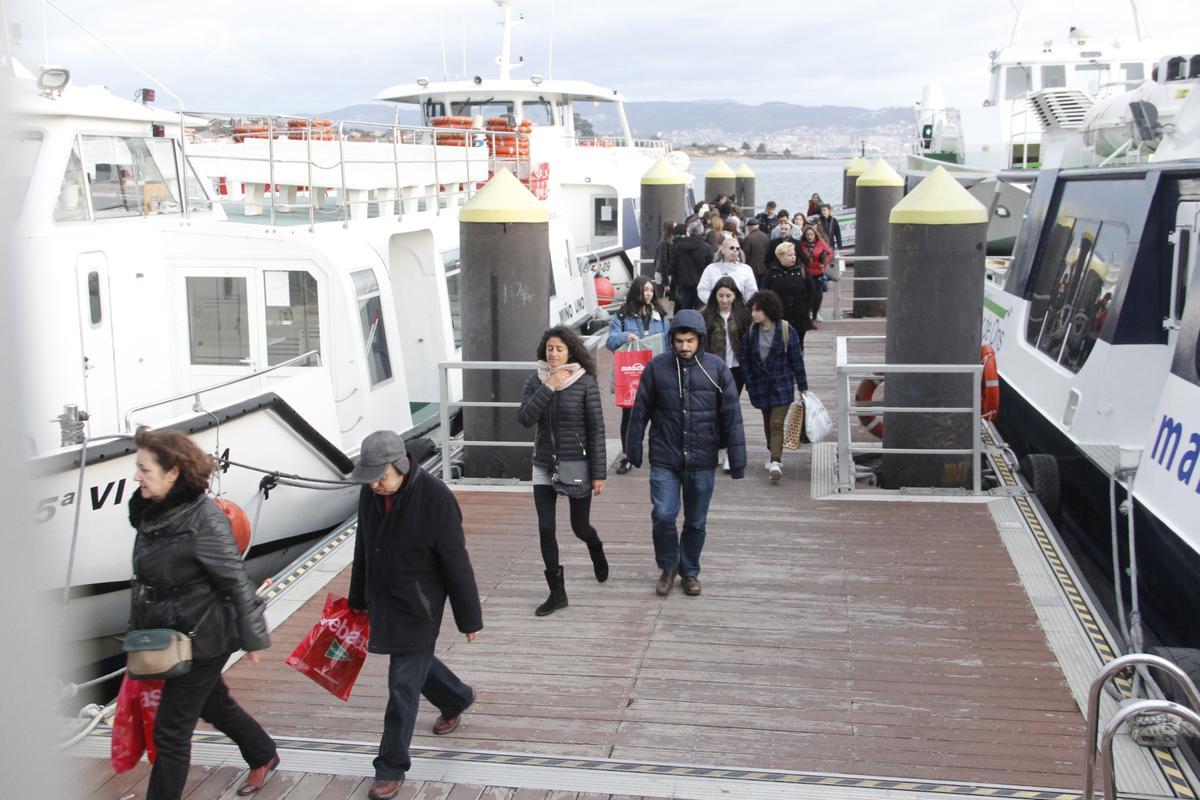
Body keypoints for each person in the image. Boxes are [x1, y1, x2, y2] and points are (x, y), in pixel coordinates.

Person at [128, 427, 277, 800]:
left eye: (144, 470)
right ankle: (263, 753)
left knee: (171, 731)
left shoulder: (204, 519)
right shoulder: (153, 509)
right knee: (214, 703)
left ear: (172, 473)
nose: (136, 476)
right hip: (170, 628)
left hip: (204, 635)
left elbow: (235, 578)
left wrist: (254, 635)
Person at [348, 430, 483, 800]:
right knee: (413, 666)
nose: (374, 484)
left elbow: (457, 562)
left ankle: (390, 768)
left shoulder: (436, 498)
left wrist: (469, 617)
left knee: (402, 684)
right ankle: (456, 698)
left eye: (381, 477)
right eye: (369, 478)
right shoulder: (370, 492)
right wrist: (356, 597)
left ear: (401, 466)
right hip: (383, 598)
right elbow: (363, 545)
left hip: (420, 605)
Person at [625, 310, 746, 597]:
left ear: (700, 340)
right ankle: (668, 566)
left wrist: (737, 460)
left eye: (690, 341)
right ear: (671, 340)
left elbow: (732, 416)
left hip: (703, 458)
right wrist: (633, 449)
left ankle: (689, 571)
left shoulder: (717, 369)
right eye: (679, 341)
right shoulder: (657, 368)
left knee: (695, 521)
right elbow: (639, 411)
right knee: (664, 515)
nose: (684, 347)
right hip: (665, 456)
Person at [518, 325, 609, 615]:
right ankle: (557, 593)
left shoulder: (585, 383)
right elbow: (524, 418)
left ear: (570, 351)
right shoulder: (537, 381)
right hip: (544, 463)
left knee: (579, 527)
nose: (554, 354)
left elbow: (596, 430)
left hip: (576, 463)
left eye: (559, 349)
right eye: (549, 349)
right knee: (546, 527)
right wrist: (549, 387)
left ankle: (595, 547)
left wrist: (599, 473)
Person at [742, 290, 809, 484]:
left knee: (776, 423)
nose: (753, 314)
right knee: (767, 420)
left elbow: (796, 358)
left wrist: (802, 385)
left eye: (757, 310)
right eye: (752, 310)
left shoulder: (786, 329)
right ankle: (773, 452)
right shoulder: (751, 332)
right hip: (760, 386)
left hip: (782, 384)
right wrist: (749, 380)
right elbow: (745, 358)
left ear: (768, 310)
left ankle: (775, 461)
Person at [606, 277, 670, 474]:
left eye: (651, 290)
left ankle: (660, 453)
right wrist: (626, 337)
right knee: (629, 416)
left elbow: (667, 344)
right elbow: (610, 341)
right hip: (631, 374)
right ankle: (627, 456)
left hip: (655, 372)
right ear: (636, 292)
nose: (649, 293)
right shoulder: (623, 316)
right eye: (645, 290)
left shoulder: (660, 315)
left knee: (660, 415)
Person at [760, 241, 817, 349]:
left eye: (794, 255)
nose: (793, 257)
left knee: (798, 345)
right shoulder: (772, 273)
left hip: (799, 315)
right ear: (780, 256)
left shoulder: (802, 270)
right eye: (789, 255)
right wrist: (771, 309)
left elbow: (813, 291)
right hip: (780, 315)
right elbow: (764, 293)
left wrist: (806, 306)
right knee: (780, 345)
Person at [700, 276, 750, 398]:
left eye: (728, 296)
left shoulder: (743, 315)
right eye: (721, 296)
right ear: (715, 295)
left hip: (736, 367)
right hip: (714, 367)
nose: (724, 300)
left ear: (735, 296)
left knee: (732, 400)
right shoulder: (705, 315)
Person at [697, 237, 758, 306]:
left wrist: (740, 305)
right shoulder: (711, 268)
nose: (735, 250)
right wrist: (714, 302)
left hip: (738, 310)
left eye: (737, 249)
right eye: (732, 248)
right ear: (723, 250)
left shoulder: (746, 269)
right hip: (715, 309)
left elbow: (752, 292)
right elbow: (702, 289)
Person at [670, 220, 713, 311]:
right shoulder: (706, 248)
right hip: (701, 284)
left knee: (685, 309)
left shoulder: (678, 247)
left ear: (689, 231)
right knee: (700, 311)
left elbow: (673, 266)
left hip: (684, 284)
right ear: (701, 231)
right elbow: (710, 268)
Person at [798, 225, 833, 323]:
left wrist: (824, 263)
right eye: (807, 235)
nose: (809, 237)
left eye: (811, 235)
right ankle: (808, 312)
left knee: (818, 294)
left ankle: (815, 313)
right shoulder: (801, 244)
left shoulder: (820, 242)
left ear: (815, 235)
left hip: (818, 272)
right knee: (807, 294)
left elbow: (830, 253)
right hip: (806, 272)